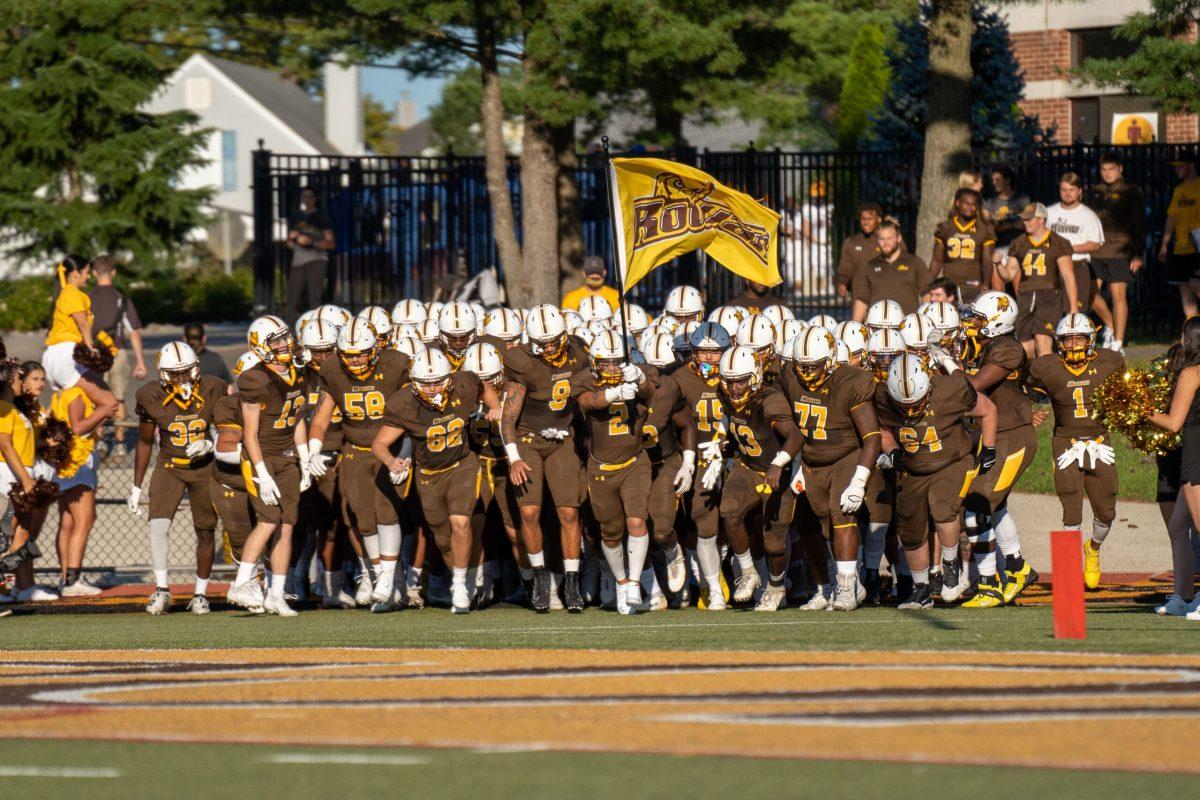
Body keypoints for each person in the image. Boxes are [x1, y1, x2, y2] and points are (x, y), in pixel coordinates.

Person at [373, 349, 500, 614]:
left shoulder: (463, 384)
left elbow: (483, 386)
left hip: (462, 464)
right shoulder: (403, 403)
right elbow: (380, 443)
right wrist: (390, 461)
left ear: (449, 378)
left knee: (461, 521)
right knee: (443, 540)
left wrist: (495, 406)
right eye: (426, 382)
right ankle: (461, 578)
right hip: (429, 475)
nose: (432, 388)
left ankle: (460, 586)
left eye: (438, 381)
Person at [306, 317, 413, 611]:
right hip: (355, 449)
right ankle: (383, 578)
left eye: (360, 353)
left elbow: (412, 413)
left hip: (391, 447)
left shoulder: (396, 365)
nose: (354, 361)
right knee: (361, 516)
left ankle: (390, 579)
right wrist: (312, 452)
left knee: (386, 512)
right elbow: (321, 417)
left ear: (374, 350)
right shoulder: (332, 370)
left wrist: (404, 454)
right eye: (348, 355)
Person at [874, 353, 997, 609]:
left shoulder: (949, 390)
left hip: (951, 461)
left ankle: (951, 567)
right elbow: (883, 430)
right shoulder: (884, 397)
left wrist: (989, 447)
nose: (910, 410)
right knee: (910, 529)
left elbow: (988, 409)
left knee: (942, 506)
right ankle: (921, 591)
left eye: (915, 403)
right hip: (912, 468)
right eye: (904, 405)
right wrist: (891, 450)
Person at [780, 327, 880, 611]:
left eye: (815, 366)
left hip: (845, 456)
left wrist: (859, 480)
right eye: (803, 366)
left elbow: (871, 437)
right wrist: (796, 463)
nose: (808, 373)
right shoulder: (789, 376)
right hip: (811, 459)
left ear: (832, 359)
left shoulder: (851, 381)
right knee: (809, 524)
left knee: (842, 512)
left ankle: (847, 584)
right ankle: (826, 587)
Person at [501, 305, 591, 612]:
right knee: (529, 513)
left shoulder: (579, 350)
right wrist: (513, 458)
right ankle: (540, 577)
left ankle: (572, 581)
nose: (549, 348)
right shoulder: (521, 361)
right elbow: (507, 418)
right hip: (529, 439)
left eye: (554, 341)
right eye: (543, 343)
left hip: (563, 438)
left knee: (569, 513)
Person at [1027, 314, 1124, 591]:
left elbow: (1126, 391)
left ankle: (1092, 549)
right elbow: (1022, 393)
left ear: (1091, 340)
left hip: (1100, 441)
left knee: (1106, 512)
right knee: (1071, 510)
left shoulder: (1110, 362)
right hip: (1065, 443)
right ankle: (1069, 576)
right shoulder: (1047, 368)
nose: (1072, 345)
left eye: (1078, 338)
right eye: (1067, 340)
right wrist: (1029, 413)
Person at [131, 343, 227, 615]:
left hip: (205, 467)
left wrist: (211, 445)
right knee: (157, 526)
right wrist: (136, 485)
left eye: (187, 372)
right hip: (170, 466)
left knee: (206, 531)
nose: (183, 378)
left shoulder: (213, 388)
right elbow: (144, 441)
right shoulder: (149, 395)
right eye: (176, 373)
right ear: (163, 374)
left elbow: (228, 428)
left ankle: (200, 594)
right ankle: (161, 590)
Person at [226, 315, 310, 616]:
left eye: (286, 337)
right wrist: (262, 473)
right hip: (262, 458)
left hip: (287, 458)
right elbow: (249, 434)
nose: (286, 344)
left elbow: (297, 417)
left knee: (287, 526)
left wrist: (306, 459)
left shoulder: (298, 372)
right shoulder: (254, 379)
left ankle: (276, 593)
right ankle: (241, 583)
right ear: (262, 347)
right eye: (277, 340)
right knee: (268, 521)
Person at [1148, 315, 1200, 621]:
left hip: (1195, 452)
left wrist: (1142, 411)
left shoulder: (1191, 373)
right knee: (1179, 526)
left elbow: (1173, 423)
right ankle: (1183, 595)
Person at [996, 203, 1078, 358]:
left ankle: (1047, 381)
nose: (1025, 223)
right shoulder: (1020, 242)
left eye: (1029, 219)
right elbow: (1008, 274)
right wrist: (999, 264)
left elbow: (1068, 276)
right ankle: (1031, 380)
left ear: (1041, 220)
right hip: (1025, 297)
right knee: (1025, 349)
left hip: (1049, 297)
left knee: (1043, 343)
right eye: (1024, 220)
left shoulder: (1057, 242)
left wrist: (1073, 308)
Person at [41, 254, 119, 415]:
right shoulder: (73, 293)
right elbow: (82, 322)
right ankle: (80, 431)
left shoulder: (64, 294)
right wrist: (92, 348)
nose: (88, 276)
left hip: (53, 358)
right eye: (86, 272)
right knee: (111, 404)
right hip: (67, 357)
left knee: (66, 404)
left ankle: (42, 430)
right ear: (76, 274)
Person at [88, 255, 147, 456]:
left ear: (94, 273)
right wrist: (140, 362)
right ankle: (120, 444)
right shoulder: (121, 298)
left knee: (97, 399)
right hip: (117, 353)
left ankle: (100, 441)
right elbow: (134, 331)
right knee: (119, 398)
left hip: (93, 355)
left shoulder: (86, 298)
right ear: (113, 272)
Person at [1088, 152, 1146, 354]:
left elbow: (1139, 223)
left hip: (1121, 249)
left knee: (1118, 296)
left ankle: (1118, 343)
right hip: (1096, 249)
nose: (1107, 173)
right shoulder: (1094, 191)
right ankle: (1110, 325)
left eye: (1111, 169)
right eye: (1103, 169)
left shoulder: (1131, 191)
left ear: (1120, 168)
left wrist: (1138, 254)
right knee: (1088, 293)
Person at [1046, 172, 1104, 314]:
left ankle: (1074, 336)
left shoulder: (1088, 215)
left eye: (1072, 190)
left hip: (1077, 265)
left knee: (1074, 312)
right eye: (1064, 190)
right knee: (1049, 311)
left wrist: (1069, 248)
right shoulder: (1049, 213)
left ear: (1079, 191)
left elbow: (1096, 243)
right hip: (1051, 266)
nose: (1067, 193)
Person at [851, 218, 931, 320]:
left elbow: (927, 293)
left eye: (889, 238)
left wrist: (926, 321)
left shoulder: (914, 262)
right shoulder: (871, 266)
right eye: (882, 239)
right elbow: (862, 300)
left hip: (907, 327)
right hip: (878, 327)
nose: (886, 243)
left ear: (899, 238)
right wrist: (855, 326)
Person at [930, 189, 996, 304]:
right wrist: (928, 284)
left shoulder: (984, 229)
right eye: (967, 203)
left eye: (974, 204)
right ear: (957, 203)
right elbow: (937, 260)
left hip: (973, 285)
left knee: (970, 321)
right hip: (949, 286)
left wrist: (986, 285)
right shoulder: (945, 228)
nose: (970, 207)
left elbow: (987, 260)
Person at [285, 186, 335, 324]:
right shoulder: (296, 217)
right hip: (298, 261)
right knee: (292, 297)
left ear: (315, 198)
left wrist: (311, 242)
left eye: (310, 196)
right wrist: (292, 238)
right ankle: (288, 329)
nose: (307, 199)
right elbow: (289, 244)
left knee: (314, 296)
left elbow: (331, 243)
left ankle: (318, 328)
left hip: (316, 258)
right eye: (304, 196)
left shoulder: (321, 217)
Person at [1158, 159, 1200, 317]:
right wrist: (1165, 244)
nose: (1178, 169)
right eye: (1176, 167)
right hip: (1181, 247)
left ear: (1192, 165)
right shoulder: (1179, 190)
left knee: (1196, 283)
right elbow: (1171, 217)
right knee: (1185, 289)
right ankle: (1192, 331)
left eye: (1181, 166)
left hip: (1197, 246)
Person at [835, 203, 883, 299]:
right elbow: (845, 268)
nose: (866, 222)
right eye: (863, 219)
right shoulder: (851, 242)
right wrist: (842, 283)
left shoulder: (888, 241)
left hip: (883, 296)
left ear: (879, 219)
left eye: (870, 219)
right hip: (859, 297)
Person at [984, 166, 1029, 258]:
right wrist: (1012, 225)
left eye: (997, 180)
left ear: (1007, 180)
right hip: (998, 248)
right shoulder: (991, 202)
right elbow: (987, 228)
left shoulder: (1023, 200)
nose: (994, 183)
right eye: (993, 180)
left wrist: (1002, 225)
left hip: (1020, 247)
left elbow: (1026, 224)